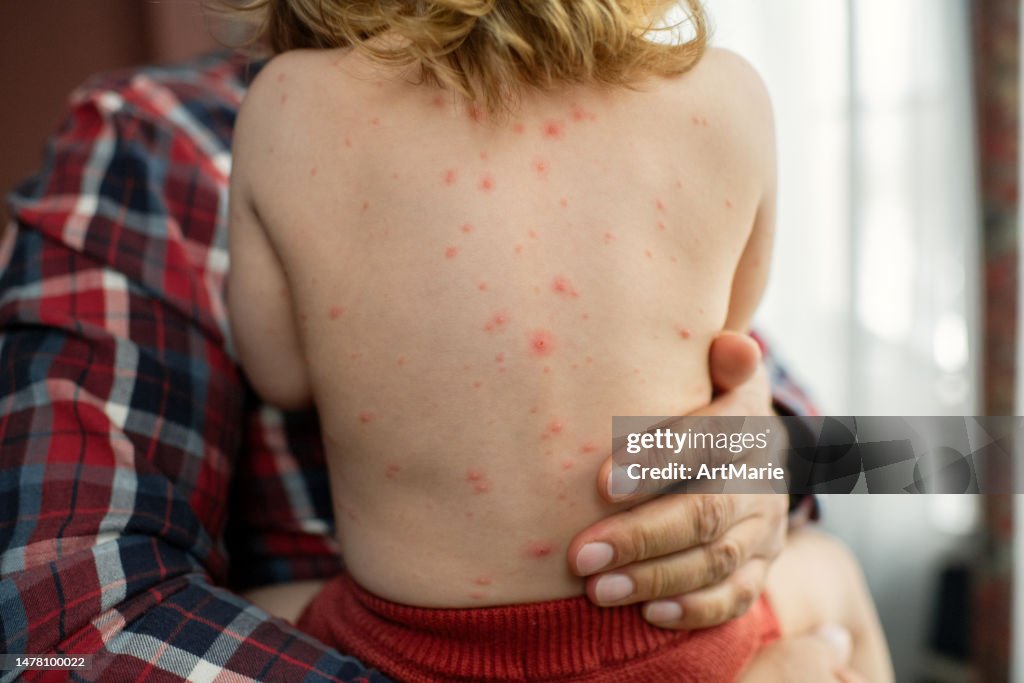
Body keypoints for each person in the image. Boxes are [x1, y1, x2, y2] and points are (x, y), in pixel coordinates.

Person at [0, 46, 860, 683]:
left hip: (404, 640)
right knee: (836, 594)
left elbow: (858, 449)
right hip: (685, 645)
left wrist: (767, 456)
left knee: (840, 557)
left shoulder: (286, 115)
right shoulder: (160, 142)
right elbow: (60, 630)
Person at [224, 1, 892, 681]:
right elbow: (730, 337)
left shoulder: (285, 103)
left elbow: (281, 375)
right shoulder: (725, 94)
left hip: (402, 649)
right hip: (679, 632)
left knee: (248, 608)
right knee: (831, 567)